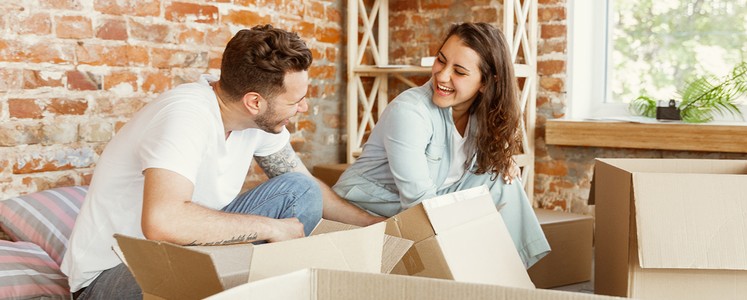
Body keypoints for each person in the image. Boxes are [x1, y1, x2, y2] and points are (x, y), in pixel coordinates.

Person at [61, 24, 384, 299]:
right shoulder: (185, 116)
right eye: (296, 101)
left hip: (176, 254)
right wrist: (270, 227)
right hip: (109, 278)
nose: (304, 109)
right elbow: (163, 221)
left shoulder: (253, 119)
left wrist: (374, 225)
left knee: (299, 190)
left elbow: (305, 186)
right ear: (254, 102)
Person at [332, 22, 550, 268]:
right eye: (441, 60)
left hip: (431, 199)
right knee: (458, 214)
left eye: (459, 71)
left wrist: (503, 161)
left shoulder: (481, 114)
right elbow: (418, 203)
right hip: (373, 205)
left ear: (486, 83)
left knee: (502, 181)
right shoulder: (410, 112)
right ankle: (475, 277)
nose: (442, 75)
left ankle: (510, 272)